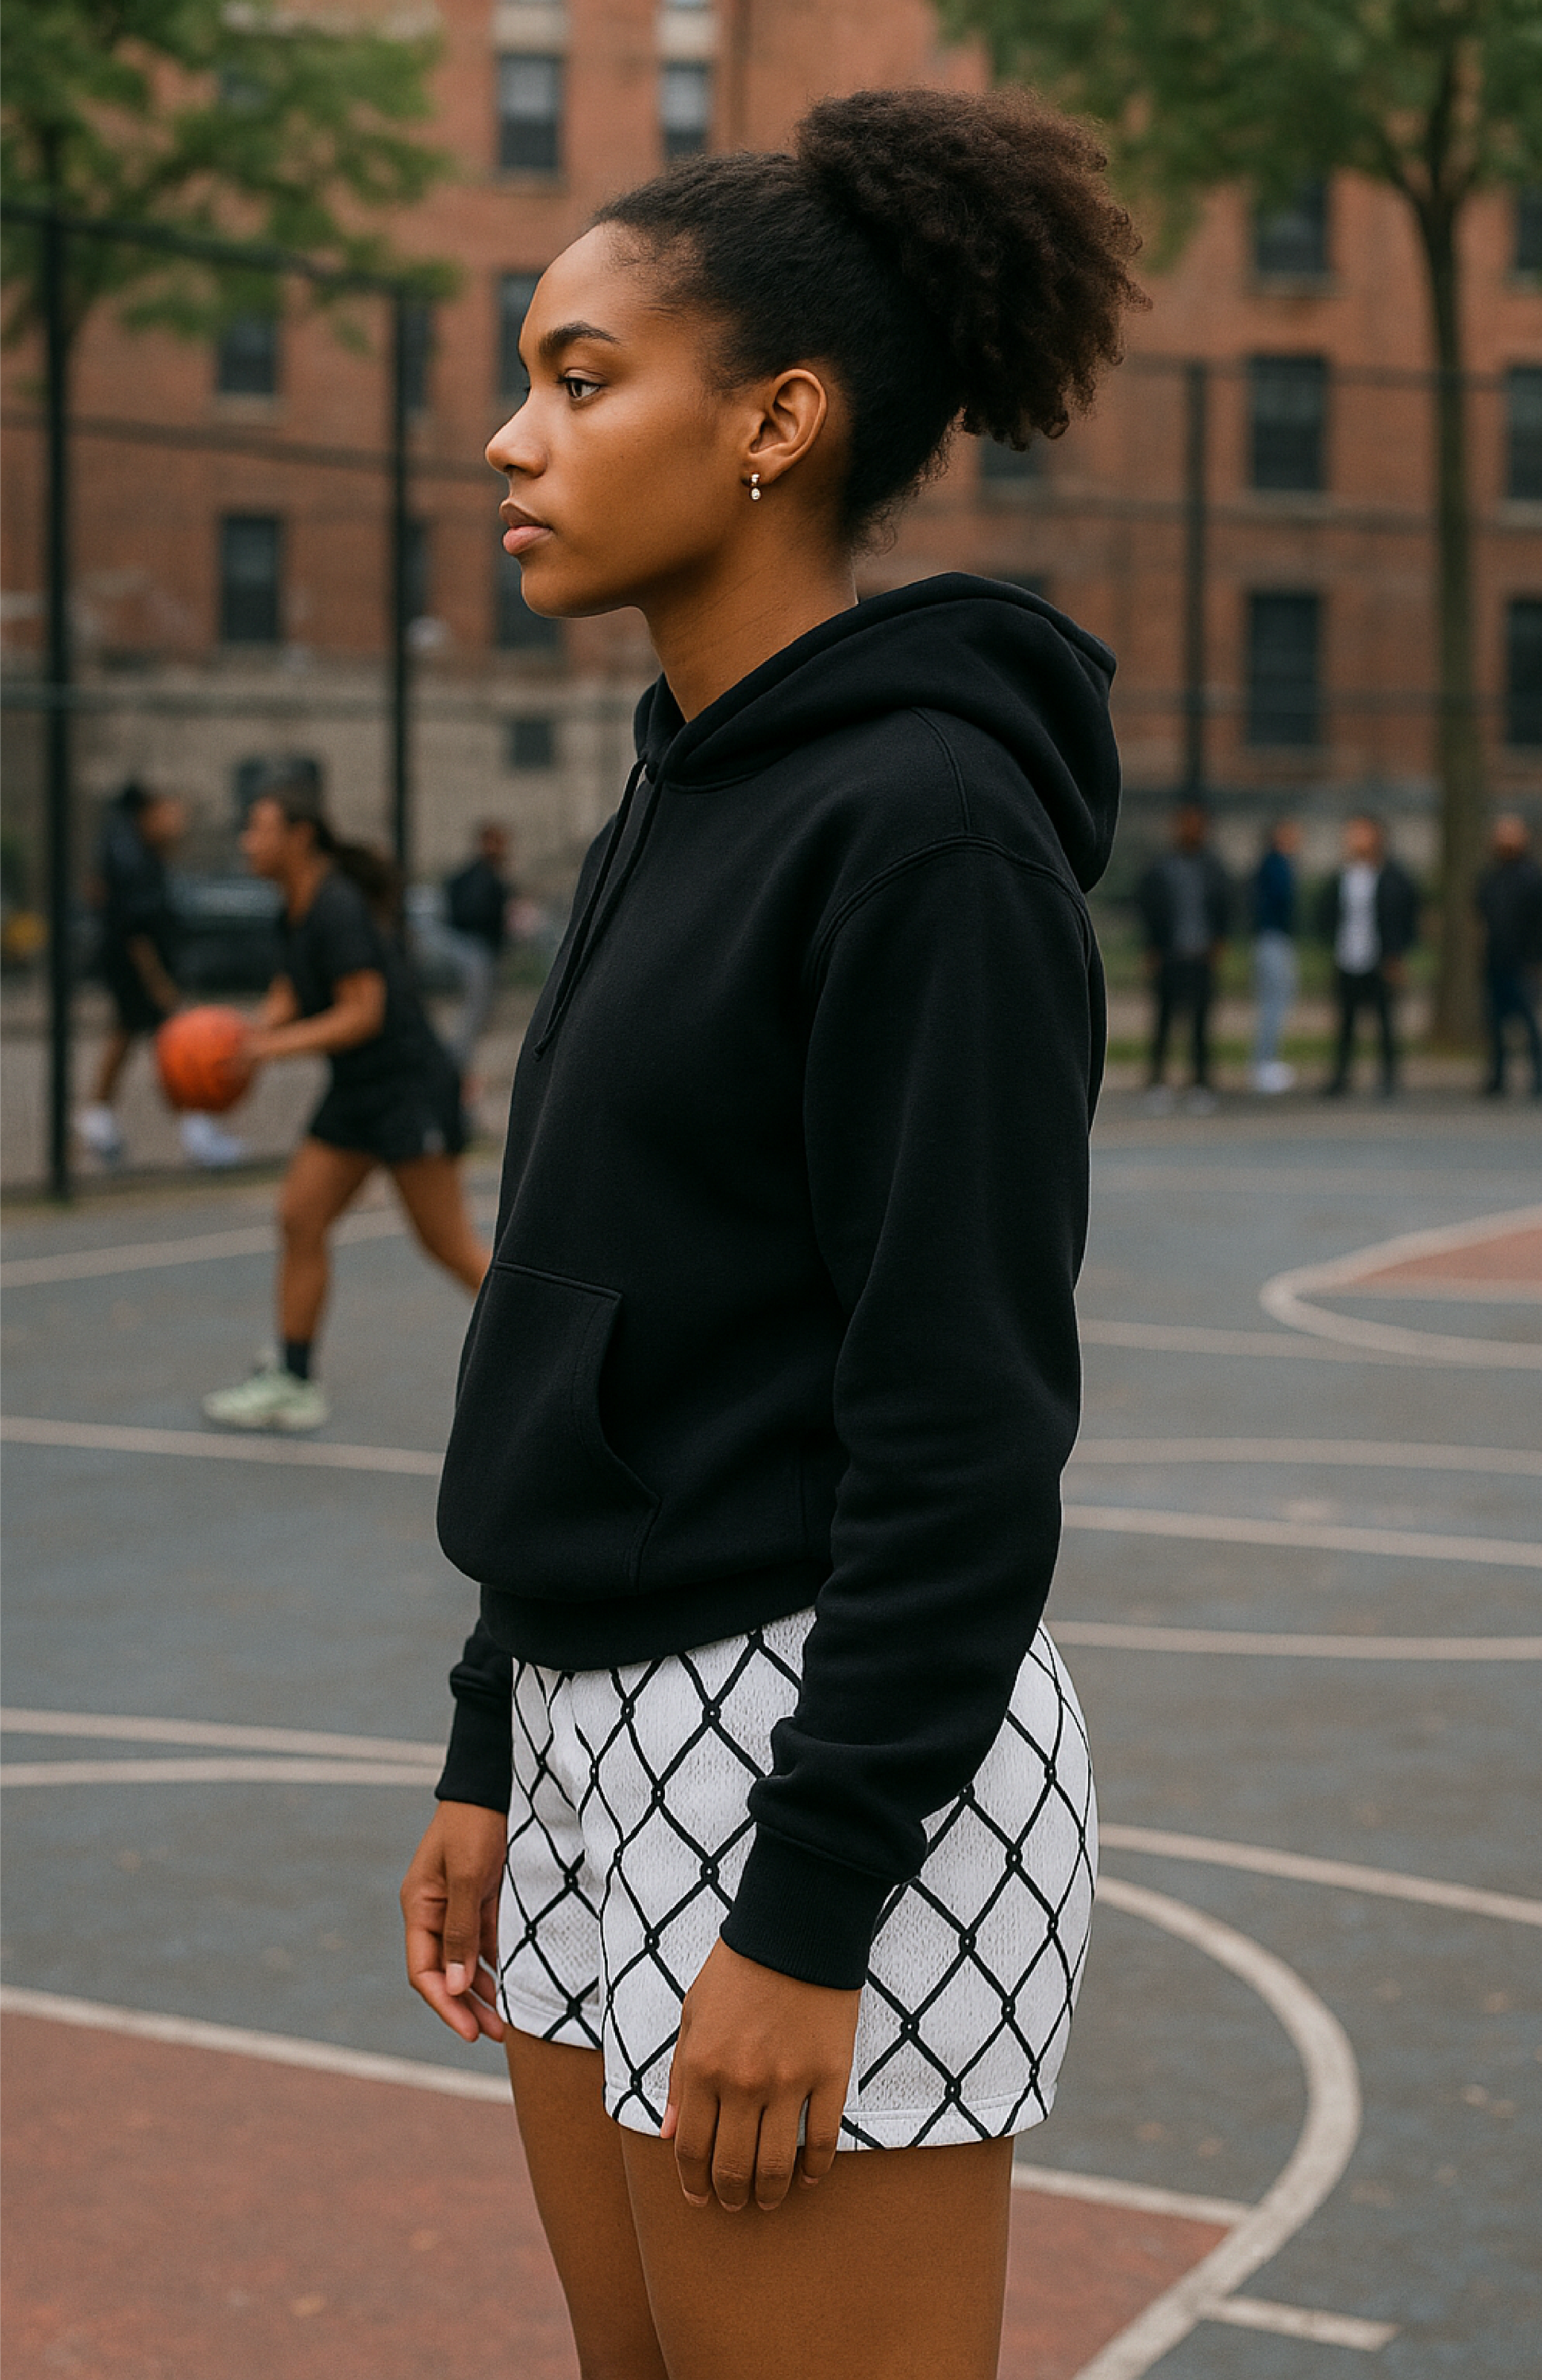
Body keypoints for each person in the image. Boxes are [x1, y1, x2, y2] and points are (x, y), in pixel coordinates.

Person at [398, 87, 1139, 2380]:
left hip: (826, 1749)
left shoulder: (925, 829)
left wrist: (812, 1910)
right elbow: (588, 1297)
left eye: (583, 374)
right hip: (596, 1719)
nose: (515, 440)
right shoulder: (679, 774)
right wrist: (490, 1728)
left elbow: (964, 1421)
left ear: (779, 420)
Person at [202, 783, 490, 1432]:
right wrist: (236, 1043)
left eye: (259, 829)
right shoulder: (296, 907)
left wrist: (269, 1048)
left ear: (299, 836)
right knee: (299, 1217)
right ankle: (295, 1379)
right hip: (359, 1091)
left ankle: (557, 1362)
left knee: (449, 1247)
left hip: (407, 1086)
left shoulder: (336, 906)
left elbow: (365, 1013)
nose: (248, 842)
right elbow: (291, 989)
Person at [77, 779, 244, 1170]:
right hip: (139, 969)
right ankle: (196, 1130)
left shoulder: (140, 853)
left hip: (136, 966)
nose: (177, 821)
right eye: (169, 812)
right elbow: (136, 930)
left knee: (129, 1035)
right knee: (178, 1047)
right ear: (147, 814)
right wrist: (159, 983)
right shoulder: (132, 859)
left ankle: (98, 1117)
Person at [1136, 801, 1230, 1112]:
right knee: (1163, 1022)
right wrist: (1152, 947)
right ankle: (1158, 1082)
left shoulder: (1213, 869)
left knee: (1201, 1026)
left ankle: (1201, 1083)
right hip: (1170, 955)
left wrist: (1219, 941)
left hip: (1200, 955)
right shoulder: (1162, 868)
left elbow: (1226, 906)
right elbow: (1148, 907)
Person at [1318, 814, 1419, 1097]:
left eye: (1360, 833)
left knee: (1385, 1022)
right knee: (1346, 1023)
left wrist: (1397, 955)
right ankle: (1341, 1076)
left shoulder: (1393, 877)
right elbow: (1328, 914)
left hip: (1380, 959)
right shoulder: (1343, 876)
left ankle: (1388, 1078)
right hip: (1348, 958)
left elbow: (1405, 916)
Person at [1477, 814, 1542, 1099]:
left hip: (1523, 963)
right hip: (1495, 961)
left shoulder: (1533, 877)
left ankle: (1540, 1079)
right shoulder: (1491, 877)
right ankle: (1497, 1078)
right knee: (1495, 1026)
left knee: (1530, 1023)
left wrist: (1538, 961)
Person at [442, 821, 512, 1077]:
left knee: (480, 1008)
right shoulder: (481, 878)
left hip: (479, 948)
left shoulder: (484, 875)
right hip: (475, 948)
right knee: (475, 1007)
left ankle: (459, 1059)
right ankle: (456, 1060)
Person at [1248, 818, 1301, 1094]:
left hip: (1275, 938)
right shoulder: (1276, 865)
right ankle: (1263, 1064)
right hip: (1273, 938)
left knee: (1278, 1001)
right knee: (1273, 1002)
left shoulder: (1276, 864)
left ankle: (1266, 1061)